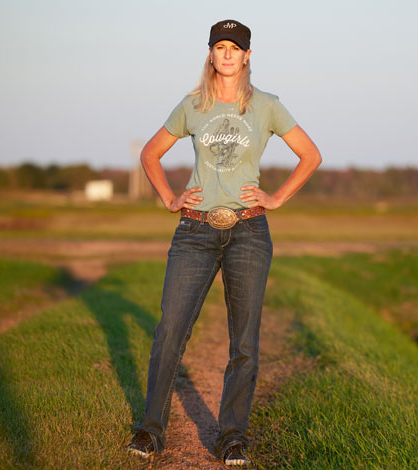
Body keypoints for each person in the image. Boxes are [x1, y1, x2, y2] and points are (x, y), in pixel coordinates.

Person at [127, 19, 321, 466]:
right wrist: (169, 197)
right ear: (210, 54)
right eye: (220, 47)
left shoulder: (268, 106)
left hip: (249, 232)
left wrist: (275, 198)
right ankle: (151, 430)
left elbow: (310, 155)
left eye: (236, 47)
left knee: (245, 343)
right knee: (170, 331)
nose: (228, 54)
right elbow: (150, 153)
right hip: (194, 231)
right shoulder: (192, 105)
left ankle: (232, 436)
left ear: (248, 55)